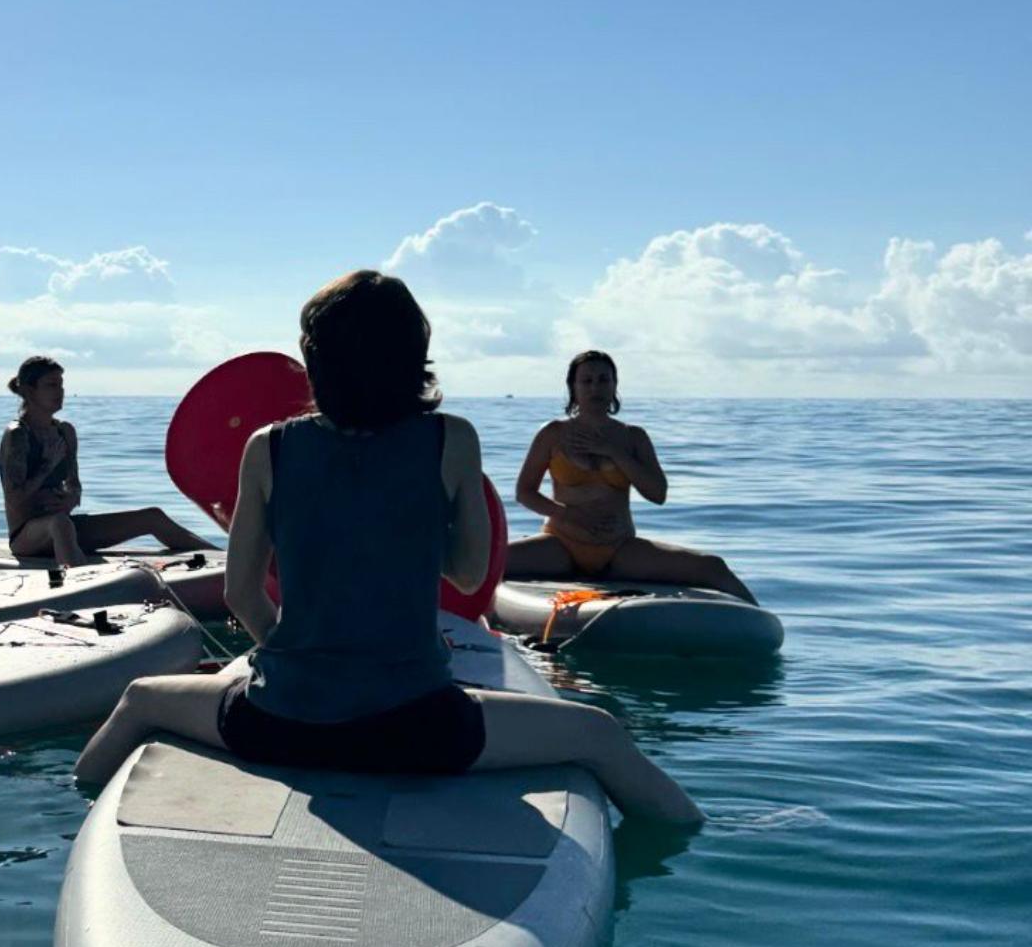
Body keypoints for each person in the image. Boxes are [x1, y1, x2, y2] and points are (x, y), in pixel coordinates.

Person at [72, 271, 702, 826]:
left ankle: (75, 822)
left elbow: (241, 594)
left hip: (279, 721)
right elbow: (467, 571)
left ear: (314, 357)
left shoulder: (267, 445)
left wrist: (293, 660)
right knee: (600, 736)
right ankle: (701, 838)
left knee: (140, 701)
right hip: (419, 728)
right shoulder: (451, 439)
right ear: (414, 355)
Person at [506, 350, 756, 602]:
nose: (596, 388)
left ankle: (765, 627)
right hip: (560, 545)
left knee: (712, 566)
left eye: (604, 380)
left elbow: (657, 494)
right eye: (587, 381)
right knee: (484, 561)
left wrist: (614, 452)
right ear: (573, 387)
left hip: (619, 550)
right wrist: (569, 514)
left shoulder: (633, 437)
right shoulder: (553, 433)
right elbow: (524, 492)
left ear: (615, 385)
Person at [0, 355, 216, 565]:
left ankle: (226, 560)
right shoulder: (18, 434)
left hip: (66, 526)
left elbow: (74, 485)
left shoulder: (65, 432)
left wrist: (71, 499)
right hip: (27, 537)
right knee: (60, 524)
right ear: (29, 390)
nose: (61, 392)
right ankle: (80, 584)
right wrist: (47, 465)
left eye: (61, 385)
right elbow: (14, 498)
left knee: (152, 517)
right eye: (51, 385)